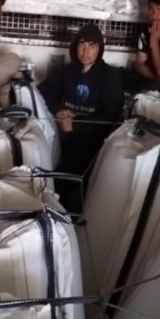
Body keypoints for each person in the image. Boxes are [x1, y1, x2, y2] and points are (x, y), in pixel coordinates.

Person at [39, 24, 124, 211]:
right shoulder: (68, 72)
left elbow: (111, 116)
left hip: (93, 145)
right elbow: (43, 90)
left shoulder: (110, 76)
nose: (86, 52)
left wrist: (75, 126)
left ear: (100, 49)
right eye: (82, 45)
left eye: (92, 46)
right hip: (65, 142)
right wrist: (59, 110)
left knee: (70, 190)